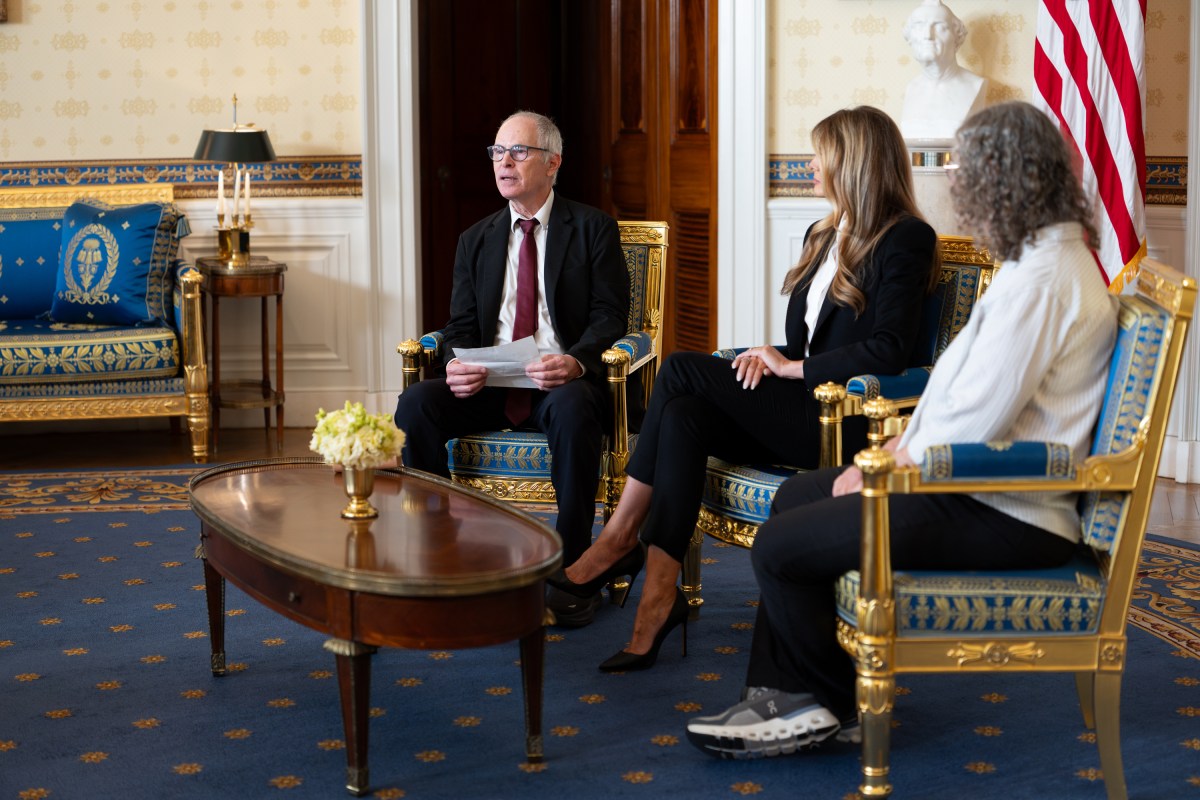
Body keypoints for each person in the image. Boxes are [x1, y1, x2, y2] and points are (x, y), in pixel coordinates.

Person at [685, 100, 1120, 758]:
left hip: (1006, 509)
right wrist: (895, 446)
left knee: (777, 545)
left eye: (965, 171)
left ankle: (820, 703)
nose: (958, 188)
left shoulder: (1044, 279)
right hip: (973, 487)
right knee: (795, 498)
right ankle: (789, 695)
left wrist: (889, 469)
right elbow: (961, 387)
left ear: (1003, 179)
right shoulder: (1038, 260)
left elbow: (983, 411)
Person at [550, 106, 939, 672]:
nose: (810, 165)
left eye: (819, 155)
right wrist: (769, 359)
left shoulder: (906, 238)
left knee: (681, 369)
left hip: (843, 419)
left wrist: (789, 369)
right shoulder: (823, 232)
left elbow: (888, 350)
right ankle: (659, 597)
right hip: (797, 407)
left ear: (851, 162)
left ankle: (617, 538)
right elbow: (803, 340)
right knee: (683, 413)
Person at [394, 111, 629, 628]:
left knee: (572, 408)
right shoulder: (474, 239)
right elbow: (459, 326)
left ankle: (572, 567)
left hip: (557, 381)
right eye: (497, 152)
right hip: (492, 381)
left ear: (553, 163)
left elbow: (611, 317)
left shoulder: (592, 228)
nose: (504, 162)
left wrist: (573, 362)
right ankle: (441, 551)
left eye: (518, 152)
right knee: (416, 404)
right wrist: (457, 363)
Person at [899, 0, 987, 141]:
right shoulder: (911, 88)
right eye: (919, 26)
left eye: (939, 27)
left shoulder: (975, 85)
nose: (928, 35)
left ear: (956, 37)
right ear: (910, 38)